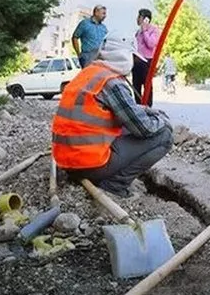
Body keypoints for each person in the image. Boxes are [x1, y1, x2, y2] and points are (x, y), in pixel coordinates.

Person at [51, 31, 173, 198]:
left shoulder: (89, 73)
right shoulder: (113, 82)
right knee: (165, 135)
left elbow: (119, 109)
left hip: (67, 162)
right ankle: (115, 185)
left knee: (126, 128)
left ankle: (105, 177)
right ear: (125, 56)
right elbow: (143, 128)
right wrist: (162, 119)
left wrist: (146, 110)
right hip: (90, 165)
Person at [132, 8, 161, 107]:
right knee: (136, 84)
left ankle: (148, 105)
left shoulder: (153, 30)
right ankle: (138, 105)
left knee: (147, 84)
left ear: (146, 19)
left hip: (146, 60)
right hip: (136, 60)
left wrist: (145, 31)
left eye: (139, 17)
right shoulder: (138, 31)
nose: (137, 19)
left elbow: (151, 44)